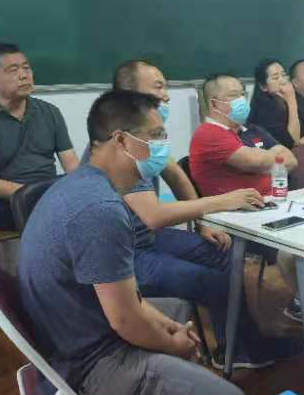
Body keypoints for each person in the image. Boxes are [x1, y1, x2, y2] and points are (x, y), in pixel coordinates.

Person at [18, 90, 252, 395]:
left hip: (72, 335)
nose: (163, 145)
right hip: (88, 364)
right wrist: (172, 344)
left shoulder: (81, 184)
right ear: (121, 140)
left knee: (174, 311)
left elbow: (128, 301)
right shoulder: (100, 210)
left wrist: (168, 331)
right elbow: (126, 319)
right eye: (156, 135)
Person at [90, 60, 272, 370]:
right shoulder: (121, 146)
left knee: (229, 254)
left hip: (148, 239)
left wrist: (201, 225)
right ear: (130, 94)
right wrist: (221, 202)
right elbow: (153, 215)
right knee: (213, 281)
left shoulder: (144, 135)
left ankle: (238, 344)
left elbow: (175, 174)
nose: (167, 95)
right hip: (126, 252)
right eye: (158, 87)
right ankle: (233, 352)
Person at [189, 74, 303, 322]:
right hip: (239, 220)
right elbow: (256, 161)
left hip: (270, 206)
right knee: (301, 248)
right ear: (214, 103)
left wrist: (270, 158)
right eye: (233, 96)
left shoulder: (247, 131)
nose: (241, 99)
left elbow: (291, 159)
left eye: (242, 93)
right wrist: (272, 156)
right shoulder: (208, 133)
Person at [0, 43, 79, 232]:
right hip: (6, 202)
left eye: (26, 68)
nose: (24, 75)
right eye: (13, 70)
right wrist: (34, 196)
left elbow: (71, 164)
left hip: (48, 193)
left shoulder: (49, 112)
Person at [247, 58, 304, 149]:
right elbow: (290, 141)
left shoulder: (296, 96)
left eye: (283, 75)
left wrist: (299, 143)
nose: (283, 80)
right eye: (275, 78)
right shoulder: (263, 111)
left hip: (301, 151)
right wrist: (291, 101)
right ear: (263, 86)